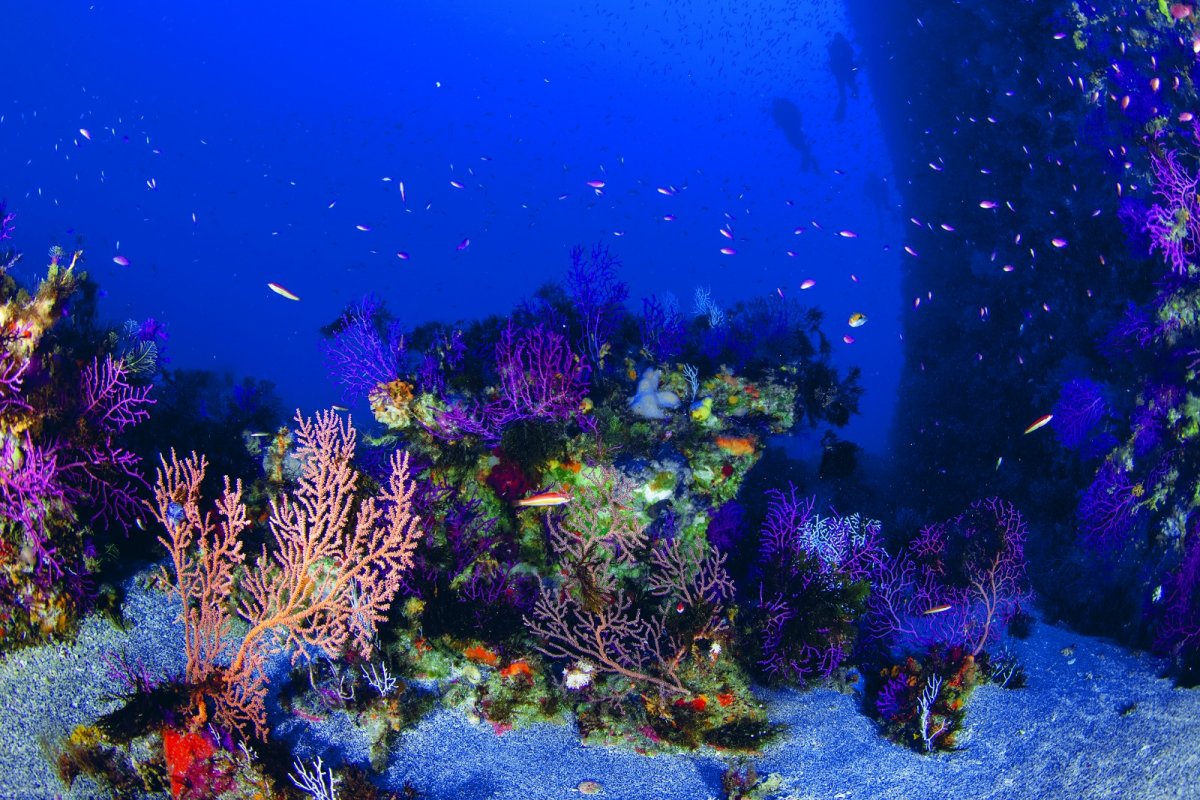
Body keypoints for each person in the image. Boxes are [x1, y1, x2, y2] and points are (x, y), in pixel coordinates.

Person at [828, 33, 858, 122]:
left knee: (848, 86)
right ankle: (853, 96)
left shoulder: (836, 45)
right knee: (849, 85)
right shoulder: (840, 45)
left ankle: (851, 97)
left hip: (843, 70)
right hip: (843, 70)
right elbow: (851, 53)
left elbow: (850, 53)